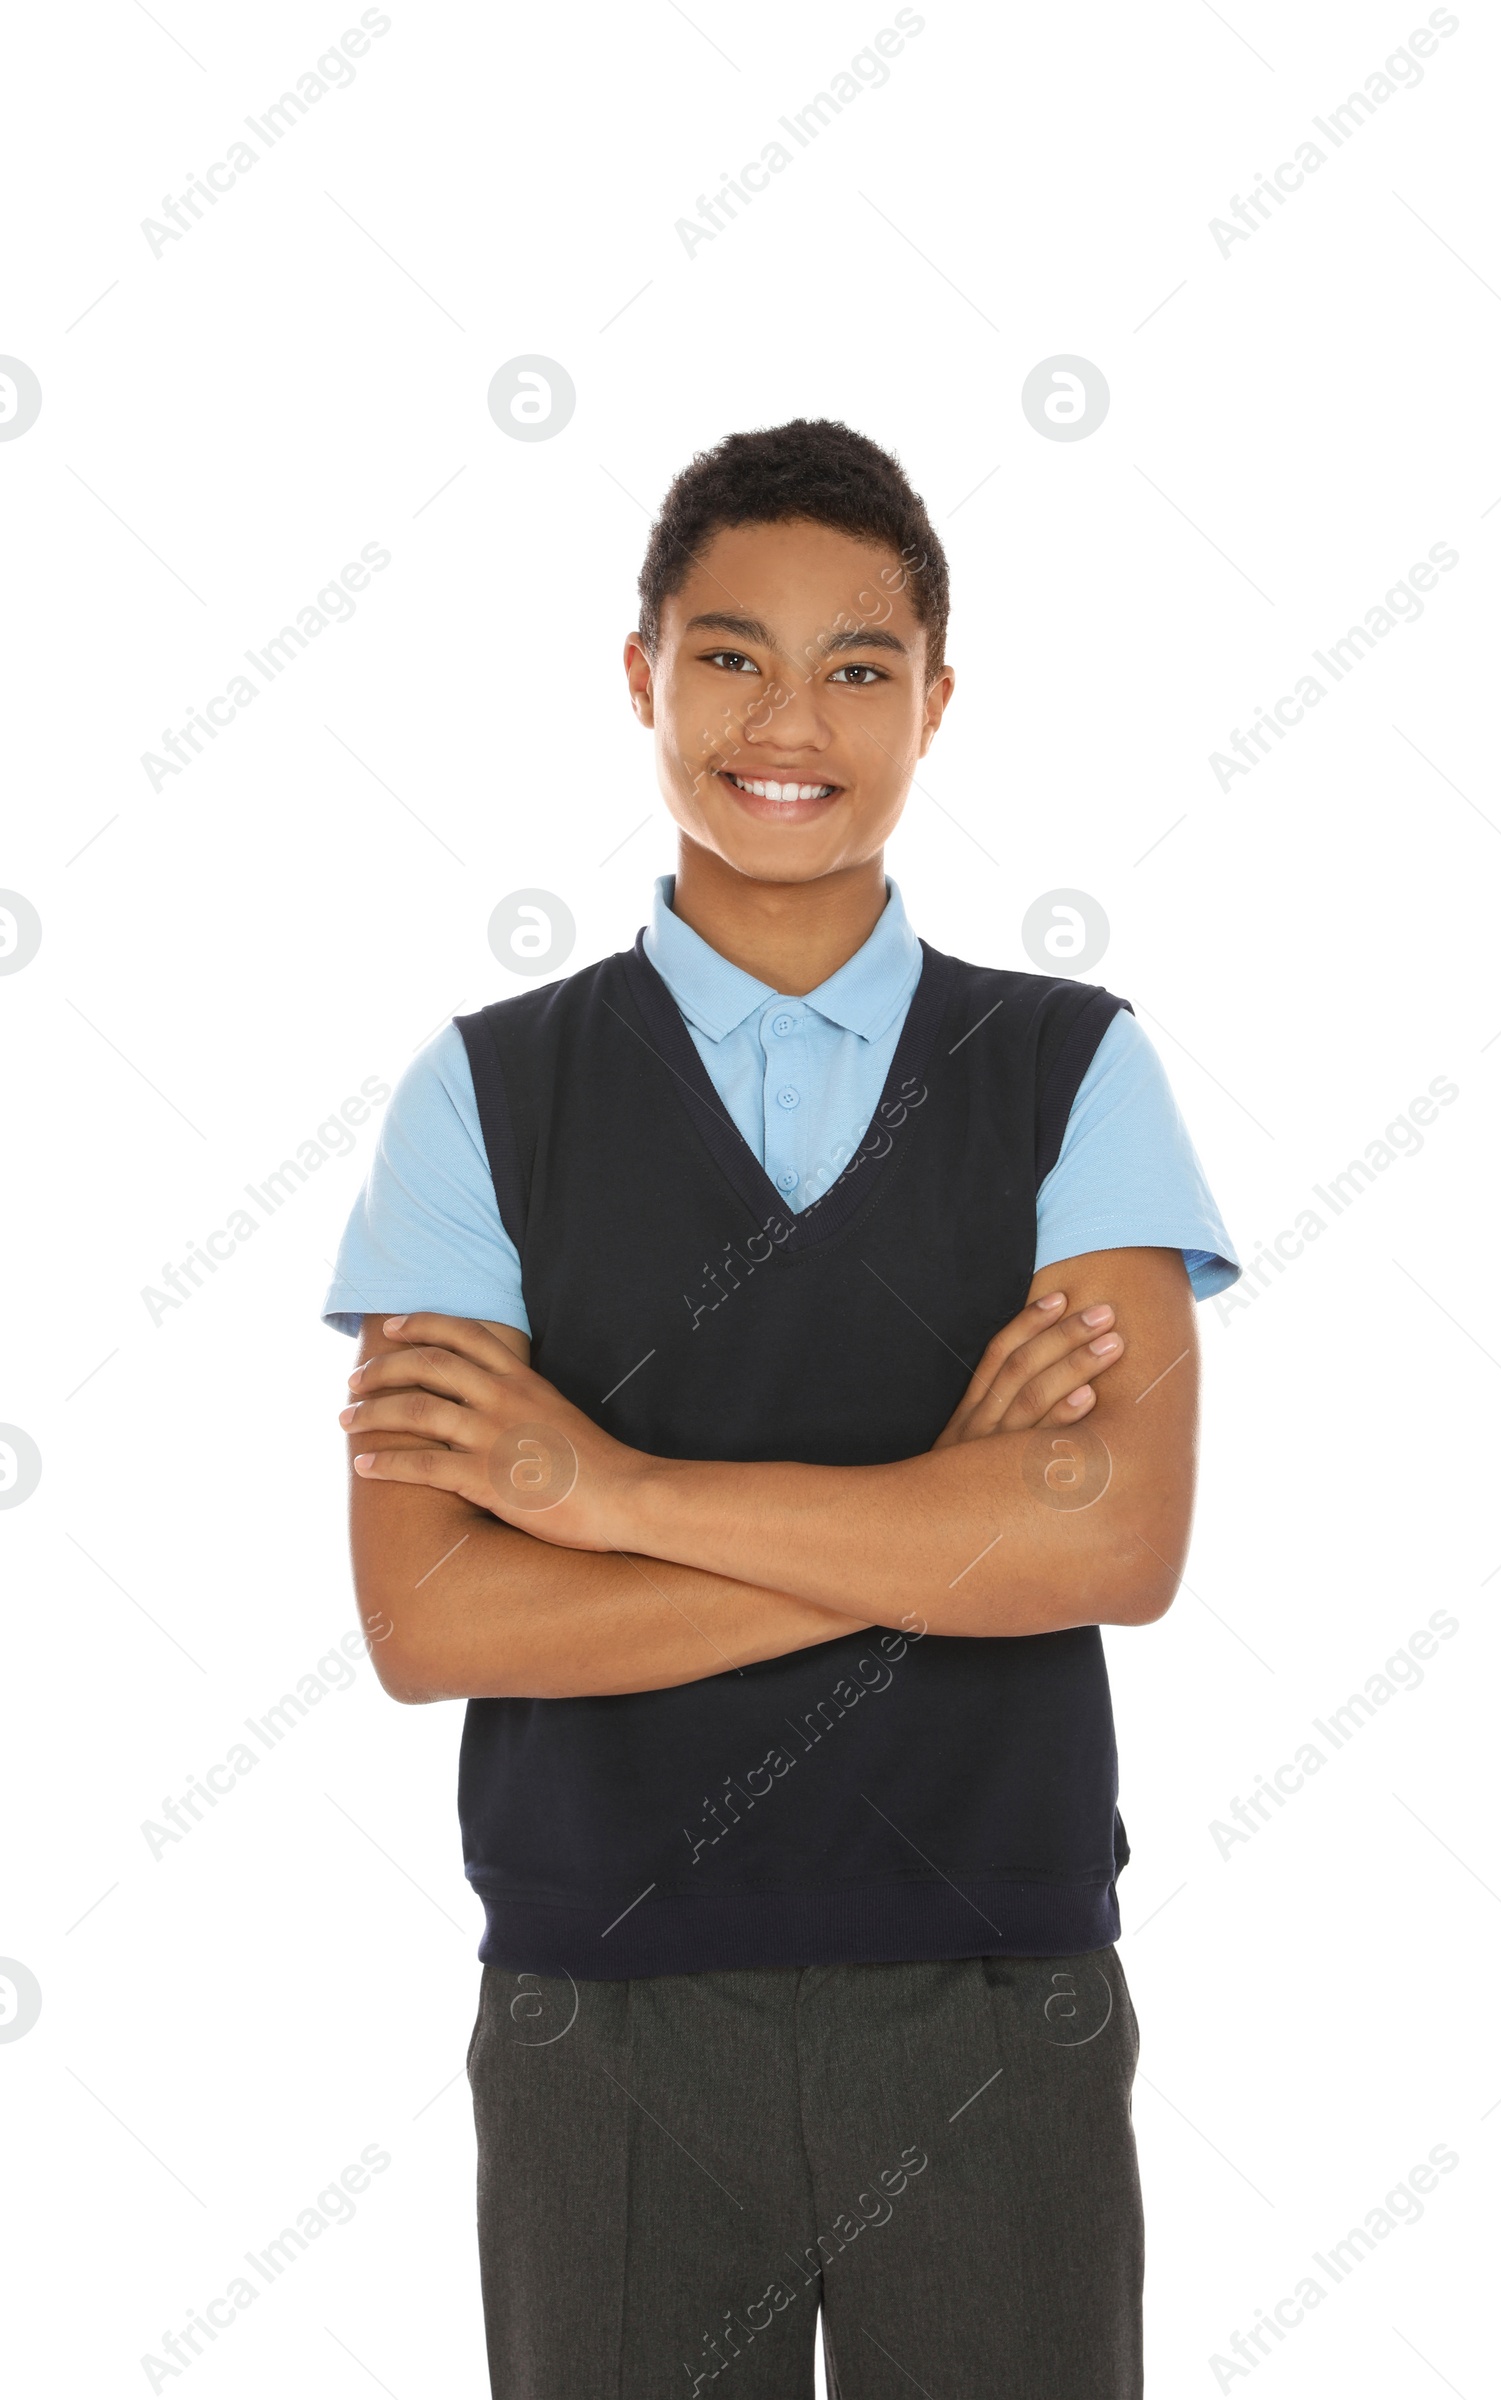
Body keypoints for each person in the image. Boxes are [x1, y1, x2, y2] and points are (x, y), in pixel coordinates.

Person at [325, 418, 1238, 2398]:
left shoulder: (1073, 1073)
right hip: (603, 2016)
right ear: (642, 673)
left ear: (933, 701)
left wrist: (606, 1487)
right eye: (731, 654)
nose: (789, 717)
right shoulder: (479, 1101)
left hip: (996, 2000)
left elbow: (1113, 1544)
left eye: (857, 665)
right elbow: (432, 1622)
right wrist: (941, 1515)